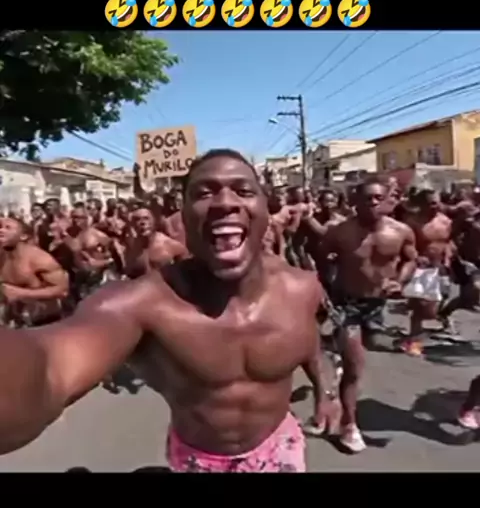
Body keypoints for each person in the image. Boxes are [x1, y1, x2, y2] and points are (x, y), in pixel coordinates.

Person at [0, 149, 331, 472]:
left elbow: (310, 344)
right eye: (204, 193)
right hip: (200, 461)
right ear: (181, 215)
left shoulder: (302, 288)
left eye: (244, 191)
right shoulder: (140, 305)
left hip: (280, 449)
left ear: (266, 207)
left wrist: (327, 395)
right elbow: (51, 367)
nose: (225, 202)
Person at [313, 179, 417, 452]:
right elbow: (320, 255)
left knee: (370, 346)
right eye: (366, 198)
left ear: (386, 200)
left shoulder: (401, 231)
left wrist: (399, 281)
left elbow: (410, 259)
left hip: (378, 305)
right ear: (354, 202)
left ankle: (337, 354)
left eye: (377, 197)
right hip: (346, 304)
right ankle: (349, 424)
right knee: (355, 367)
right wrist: (328, 284)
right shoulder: (339, 232)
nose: (372, 202)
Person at [403, 189, 453, 354]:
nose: (435, 206)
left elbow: (448, 242)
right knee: (421, 306)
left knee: (435, 305)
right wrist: (416, 256)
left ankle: (423, 329)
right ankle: (413, 342)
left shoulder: (445, 221)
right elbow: (406, 245)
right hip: (422, 269)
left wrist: (448, 258)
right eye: (431, 203)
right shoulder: (413, 222)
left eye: (437, 202)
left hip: (441, 267)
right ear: (422, 204)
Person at [0, 217, 69, 327]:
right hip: (18, 323)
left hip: (45, 323)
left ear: (23, 236)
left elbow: (62, 290)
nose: (1, 230)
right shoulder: (3, 257)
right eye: (0, 227)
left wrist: (21, 293)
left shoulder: (39, 259)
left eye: (8, 228)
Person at [124, 206, 188, 278]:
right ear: (132, 224)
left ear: (154, 221)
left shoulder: (170, 245)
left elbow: (187, 272)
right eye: (137, 219)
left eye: (146, 218)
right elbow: (129, 274)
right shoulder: (131, 250)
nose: (142, 222)